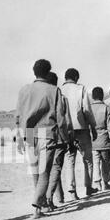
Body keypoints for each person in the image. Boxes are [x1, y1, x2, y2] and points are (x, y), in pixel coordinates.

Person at [15, 59, 69, 218]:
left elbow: (18, 116)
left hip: (29, 133)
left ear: (34, 72)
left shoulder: (24, 90)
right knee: (44, 172)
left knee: (35, 171)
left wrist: (19, 138)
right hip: (47, 133)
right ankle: (37, 205)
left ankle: (41, 205)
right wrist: (65, 138)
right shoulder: (54, 90)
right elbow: (61, 118)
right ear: (48, 72)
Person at [61, 68, 98, 199]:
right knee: (87, 159)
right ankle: (88, 188)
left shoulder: (59, 91)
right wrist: (93, 126)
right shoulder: (80, 89)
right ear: (76, 77)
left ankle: (72, 192)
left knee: (70, 159)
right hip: (81, 128)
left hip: (66, 130)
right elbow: (86, 110)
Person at [46, 72, 74, 208]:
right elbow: (66, 121)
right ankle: (49, 198)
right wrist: (69, 138)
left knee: (47, 169)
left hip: (42, 137)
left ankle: (59, 196)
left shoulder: (42, 98)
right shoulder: (62, 98)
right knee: (56, 168)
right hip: (58, 138)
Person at [90, 86, 110, 191]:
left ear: (92, 96)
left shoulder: (89, 108)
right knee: (105, 162)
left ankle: (97, 183)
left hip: (93, 139)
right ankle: (106, 182)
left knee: (95, 161)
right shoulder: (107, 108)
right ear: (102, 96)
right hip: (104, 139)